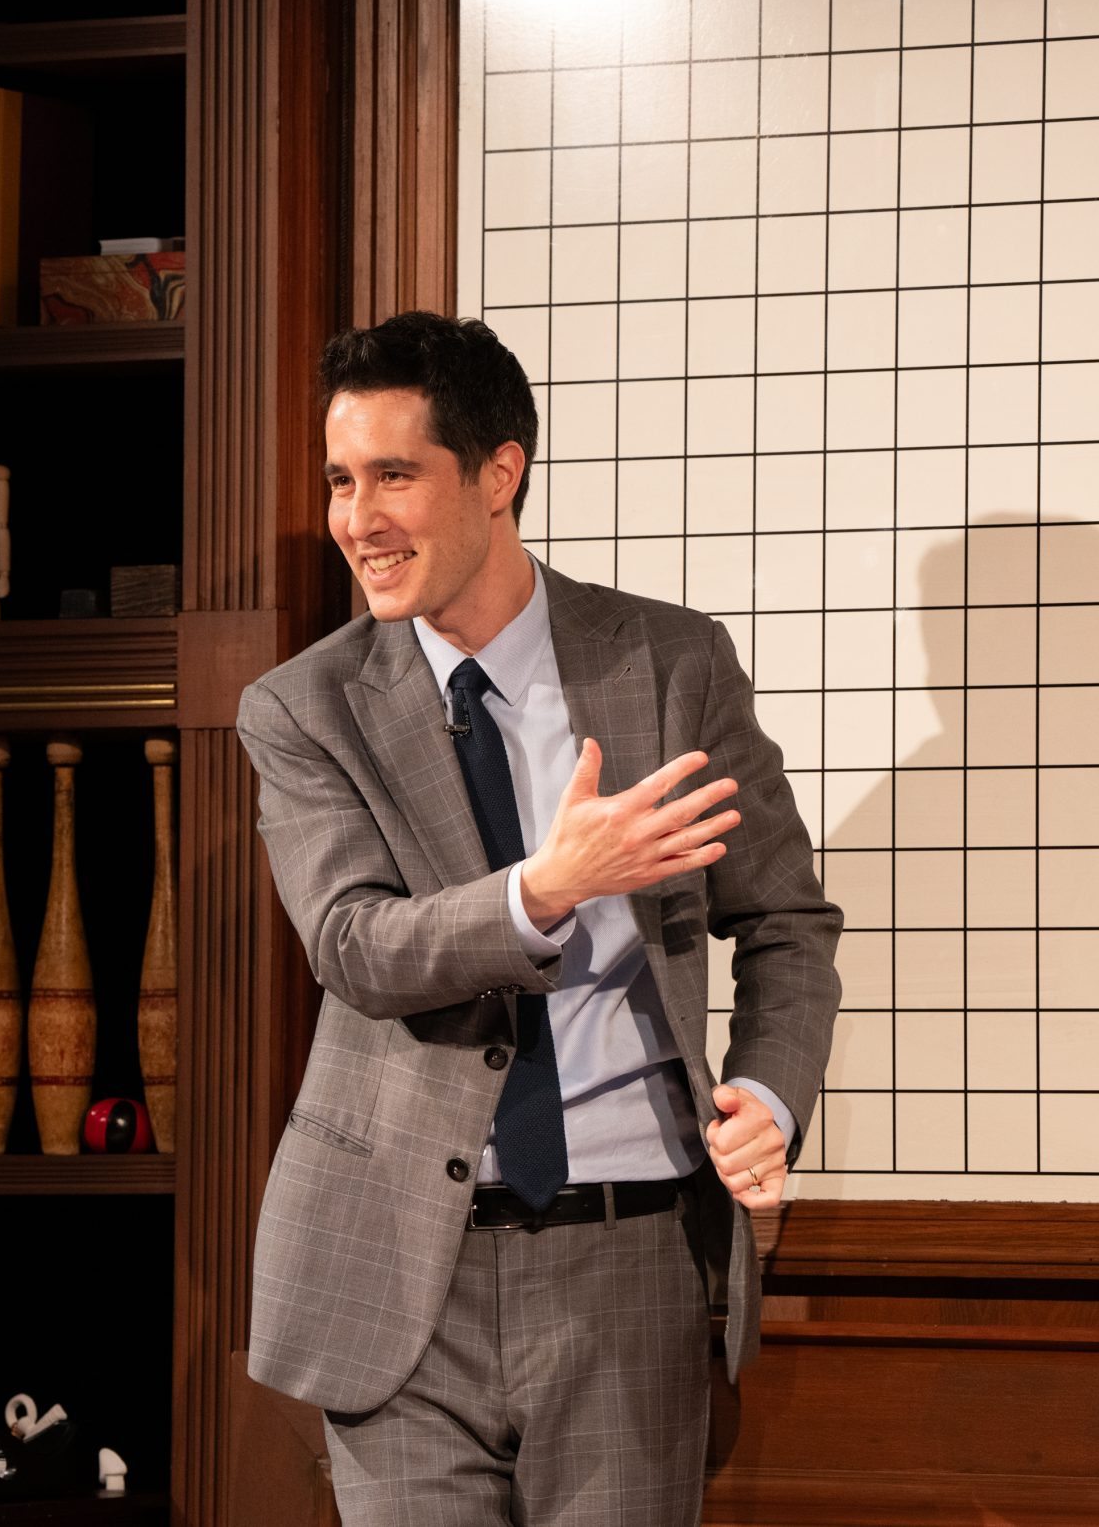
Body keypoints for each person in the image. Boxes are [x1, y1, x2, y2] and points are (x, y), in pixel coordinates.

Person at [236, 310, 843, 1525]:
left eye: (394, 475)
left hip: (627, 1262)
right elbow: (355, 947)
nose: (357, 518)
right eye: (341, 481)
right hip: (395, 1273)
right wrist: (544, 889)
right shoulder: (304, 708)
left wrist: (766, 1100)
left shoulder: (671, 665)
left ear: (498, 472)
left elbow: (786, 919)